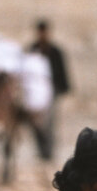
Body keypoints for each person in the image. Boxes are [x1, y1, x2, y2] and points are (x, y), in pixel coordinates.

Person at [27, 21, 70, 158]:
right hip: (34, 94)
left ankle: (48, 153)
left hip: (51, 92)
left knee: (49, 123)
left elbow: (61, 72)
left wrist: (61, 89)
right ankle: (41, 152)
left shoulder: (55, 51)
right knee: (35, 124)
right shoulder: (32, 49)